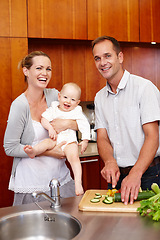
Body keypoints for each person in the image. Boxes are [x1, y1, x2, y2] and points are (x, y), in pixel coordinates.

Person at [3, 51, 79, 205]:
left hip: (61, 182)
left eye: (48, 69)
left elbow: (78, 122)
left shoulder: (55, 95)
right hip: (32, 185)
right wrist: (50, 152)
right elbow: (10, 148)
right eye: (39, 68)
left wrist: (67, 124)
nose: (44, 73)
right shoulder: (19, 106)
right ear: (26, 71)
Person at [92, 36, 160, 205]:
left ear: (120, 57)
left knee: (149, 229)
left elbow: (153, 136)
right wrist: (109, 161)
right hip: (116, 175)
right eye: (97, 58)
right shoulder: (100, 97)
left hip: (148, 174)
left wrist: (135, 174)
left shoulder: (144, 88)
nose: (102, 62)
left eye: (108, 56)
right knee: (119, 227)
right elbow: (102, 137)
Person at [24, 82, 90, 196]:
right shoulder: (54, 108)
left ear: (78, 102)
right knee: (45, 143)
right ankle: (34, 151)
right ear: (59, 96)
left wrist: (85, 140)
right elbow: (43, 119)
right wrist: (50, 129)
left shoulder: (77, 111)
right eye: (65, 97)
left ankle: (78, 184)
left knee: (74, 159)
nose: (68, 101)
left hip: (69, 142)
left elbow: (85, 125)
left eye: (73, 100)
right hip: (55, 138)